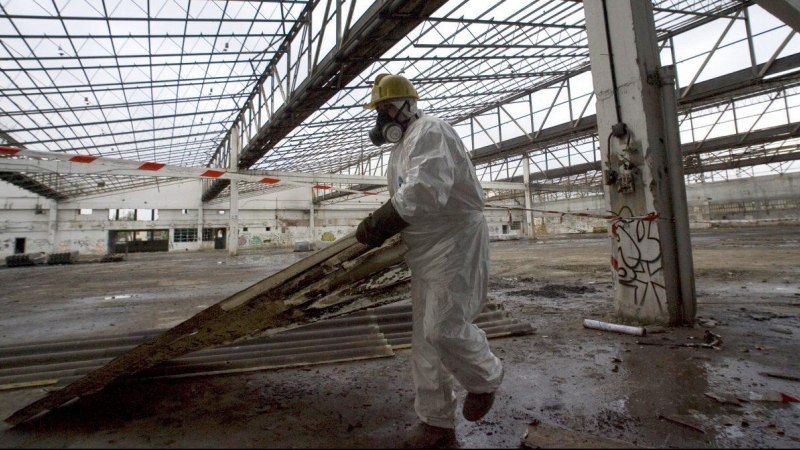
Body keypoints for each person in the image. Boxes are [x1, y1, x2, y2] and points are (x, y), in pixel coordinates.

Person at [356, 74, 504, 444]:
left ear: (408, 105)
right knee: (425, 337)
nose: (382, 117)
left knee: (443, 327)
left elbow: (424, 192)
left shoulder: (431, 131)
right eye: (379, 110)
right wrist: (386, 223)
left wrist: (379, 223)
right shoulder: (401, 148)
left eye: (387, 107)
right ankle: (436, 422)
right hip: (424, 250)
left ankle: (485, 378)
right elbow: (409, 193)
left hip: (453, 245)